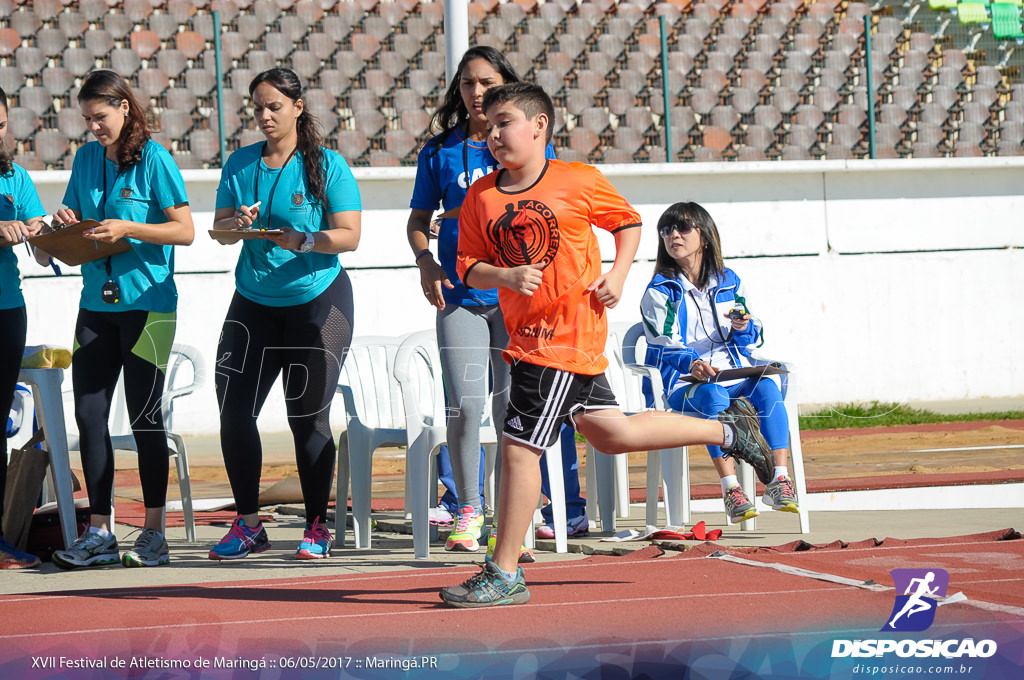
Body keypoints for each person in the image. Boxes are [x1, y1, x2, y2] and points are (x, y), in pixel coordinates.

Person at [440, 83, 774, 608]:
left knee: (519, 451)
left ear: (539, 126)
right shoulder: (481, 195)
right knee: (610, 434)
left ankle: (503, 570)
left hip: (561, 338)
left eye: (505, 122)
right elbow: (467, 265)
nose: (494, 133)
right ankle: (729, 430)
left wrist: (618, 274)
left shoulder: (577, 179)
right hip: (528, 336)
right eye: (490, 125)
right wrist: (504, 274)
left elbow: (627, 222)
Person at [406, 46, 585, 553]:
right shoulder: (439, 152)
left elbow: (551, 212)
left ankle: (515, 519)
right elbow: (418, 222)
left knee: (514, 410)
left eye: (486, 82)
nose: (476, 92)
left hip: (518, 300)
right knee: (463, 406)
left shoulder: (528, 144)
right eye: (467, 84)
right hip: (460, 296)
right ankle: (468, 510)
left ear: (506, 83)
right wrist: (426, 262)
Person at [45, 70, 195, 570]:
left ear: (124, 107)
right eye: (86, 120)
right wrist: (61, 224)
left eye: (101, 118)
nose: (93, 129)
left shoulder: (156, 159)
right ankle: (101, 531)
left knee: (145, 416)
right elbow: (70, 214)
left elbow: (185, 230)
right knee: (88, 415)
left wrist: (129, 226)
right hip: (96, 305)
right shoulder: (86, 159)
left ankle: (153, 533)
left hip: (151, 308)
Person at [209, 68, 361, 561]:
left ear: (298, 107)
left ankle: (317, 525)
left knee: (308, 418)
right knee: (234, 414)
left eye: (274, 105)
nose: (265, 115)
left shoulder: (328, 165)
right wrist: (237, 223)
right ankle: (249, 526)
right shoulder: (240, 163)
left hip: (318, 301)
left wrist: (306, 241)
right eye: (257, 107)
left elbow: (350, 236)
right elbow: (219, 232)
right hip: (253, 303)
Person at [639, 201, 799, 524]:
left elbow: (753, 336)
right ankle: (731, 489)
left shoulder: (729, 281)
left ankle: (779, 480)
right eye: (666, 230)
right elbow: (664, 344)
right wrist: (692, 365)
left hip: (733, 371)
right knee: (714, 396)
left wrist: (744, 326)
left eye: (683, 228)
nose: (674, 236)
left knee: (768, 384)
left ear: (705, 236)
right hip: (684, 384)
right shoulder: (659, 291)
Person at [0, 85, 47, 569]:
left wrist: (48, 235)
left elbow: (42, 247)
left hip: (6, 308)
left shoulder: (15, 176)